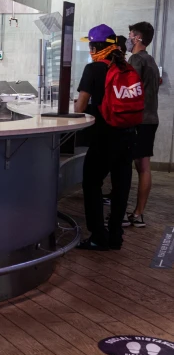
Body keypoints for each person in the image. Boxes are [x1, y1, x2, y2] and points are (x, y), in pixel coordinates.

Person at [75, 24, 136, 251]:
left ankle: (98, 236)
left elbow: (80, 105)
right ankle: (116, 236)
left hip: (104, 136)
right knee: (121, 186)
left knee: (92, 184)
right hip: (128, 133)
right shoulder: (126, 66)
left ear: (94, 46)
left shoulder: (93, 69)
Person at [124, 22, 161, 227]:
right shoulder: (151, 61)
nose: (128, 38)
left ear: (137, 38)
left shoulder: (137, 60)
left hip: (139, 119)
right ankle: (138, 213)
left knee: (136, 166)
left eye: (130, 35)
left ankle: (134, 213)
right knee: (144, 167)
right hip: (151, 119)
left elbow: (129, 91)